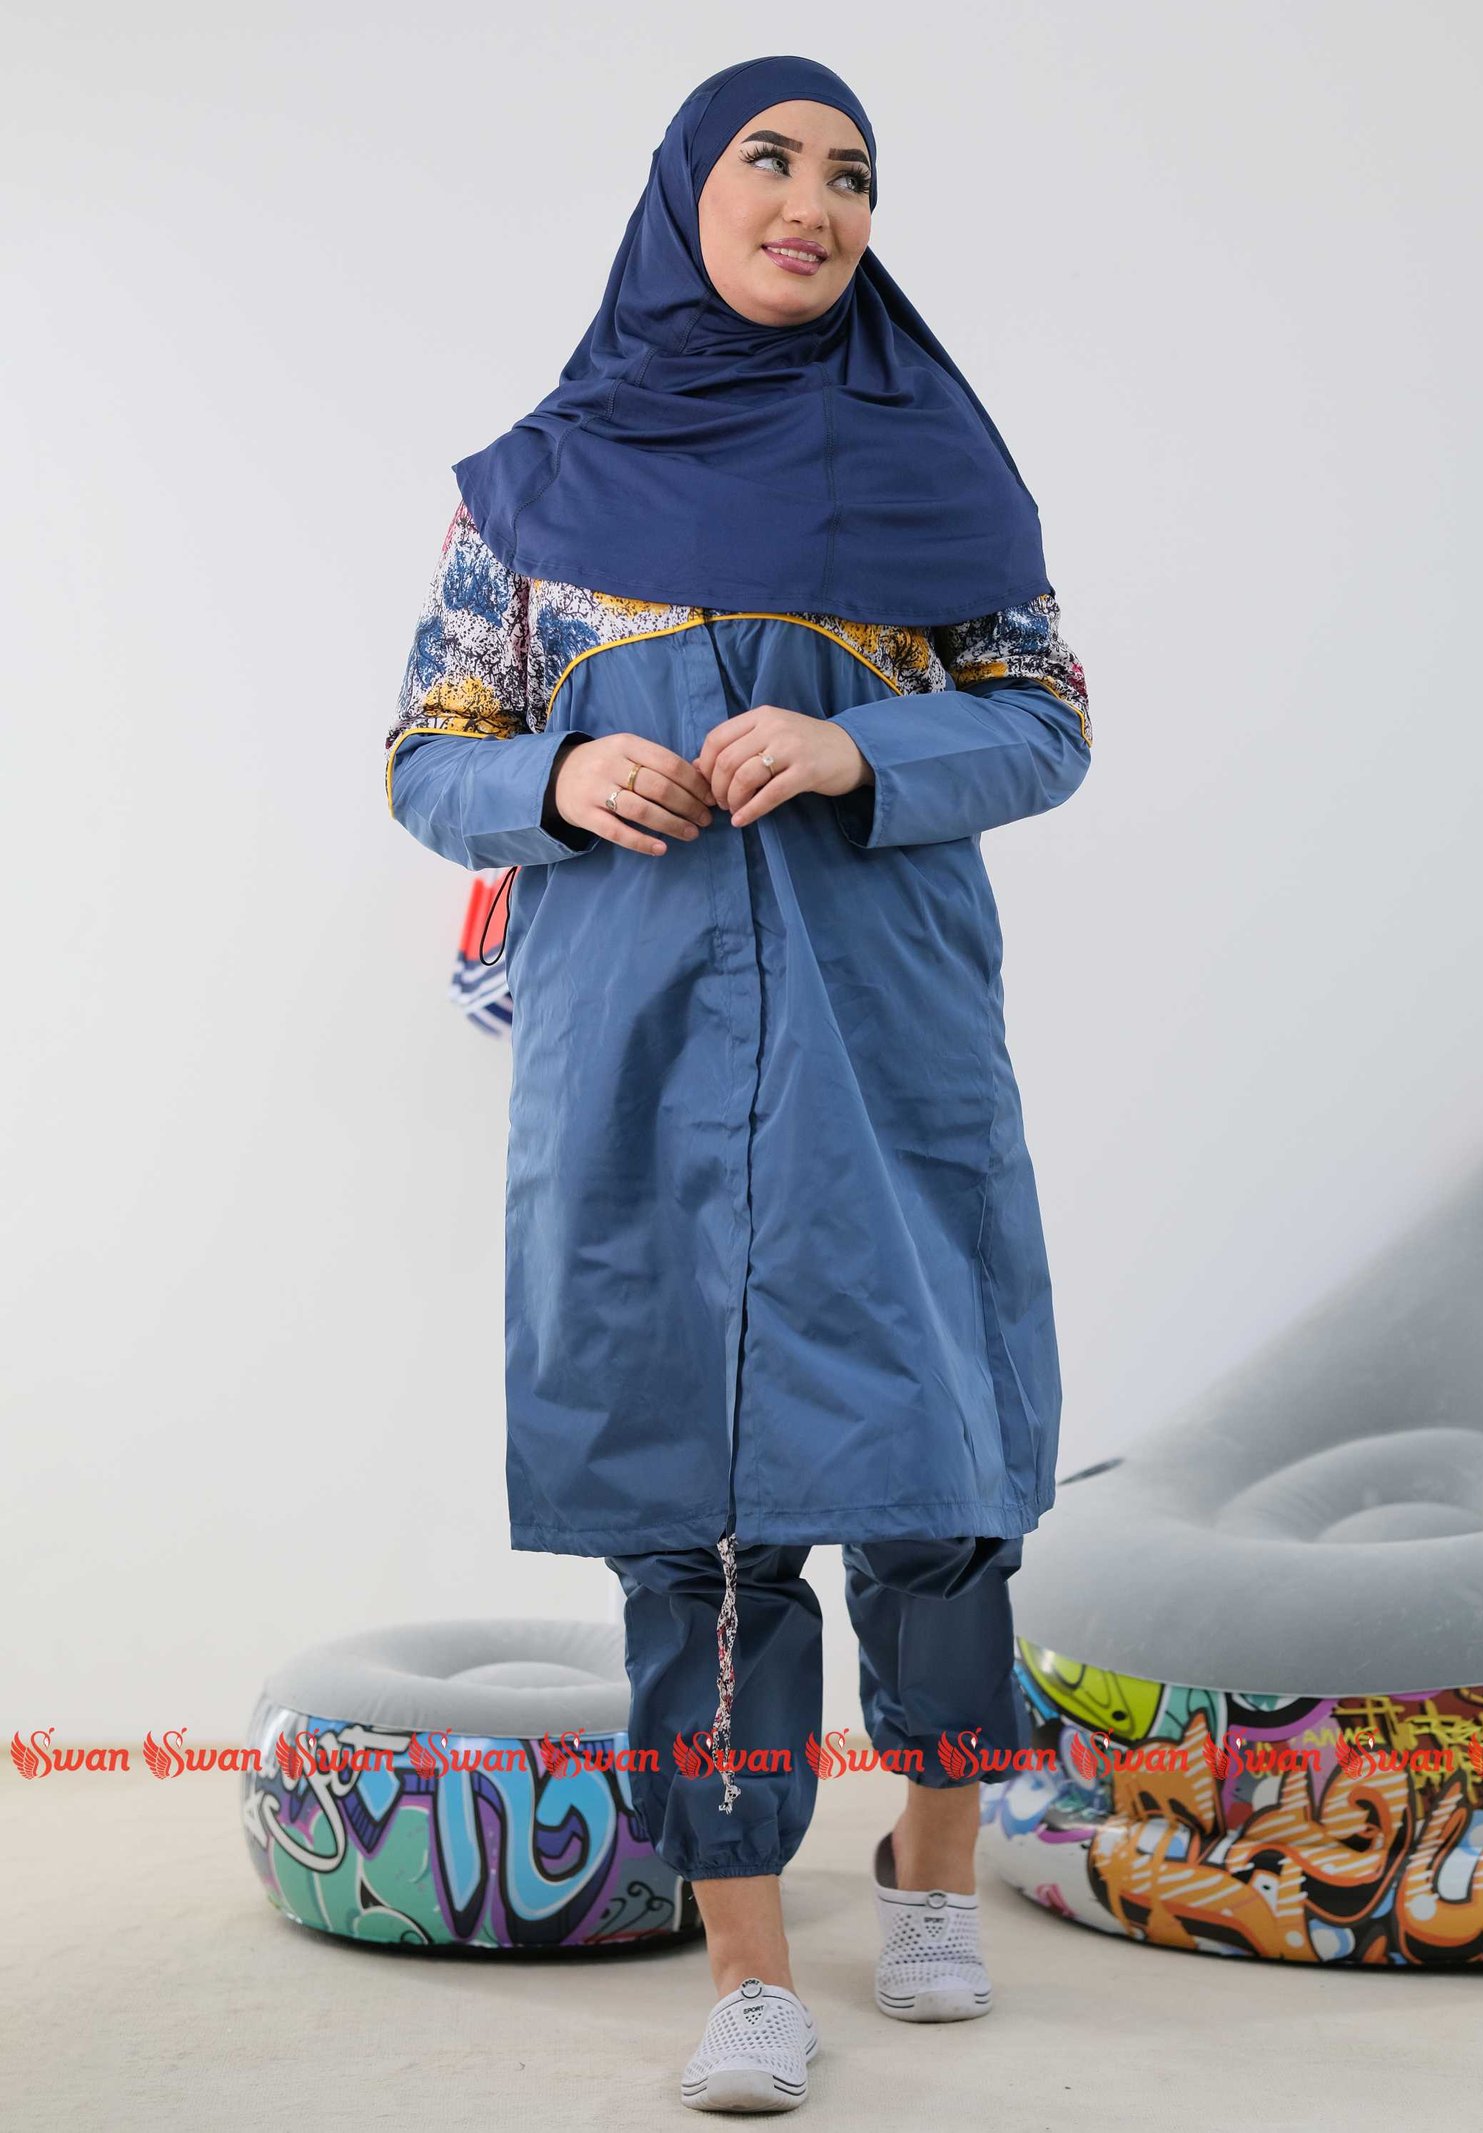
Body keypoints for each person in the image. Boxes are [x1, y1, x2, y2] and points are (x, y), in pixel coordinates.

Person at [383, 52, 1092, 2114]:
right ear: (683, 193)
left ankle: (933, 1870)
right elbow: (426, 752)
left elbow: (1046, 714)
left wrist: (866, 745)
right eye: (770, 161)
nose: (815, 203)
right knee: (692, 1527)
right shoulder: (531, 492)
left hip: (889, 1060)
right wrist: (554, 775)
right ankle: (751, 1964)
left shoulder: (937, 465)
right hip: (640, 1063)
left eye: (852, 174)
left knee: (940, 1485)